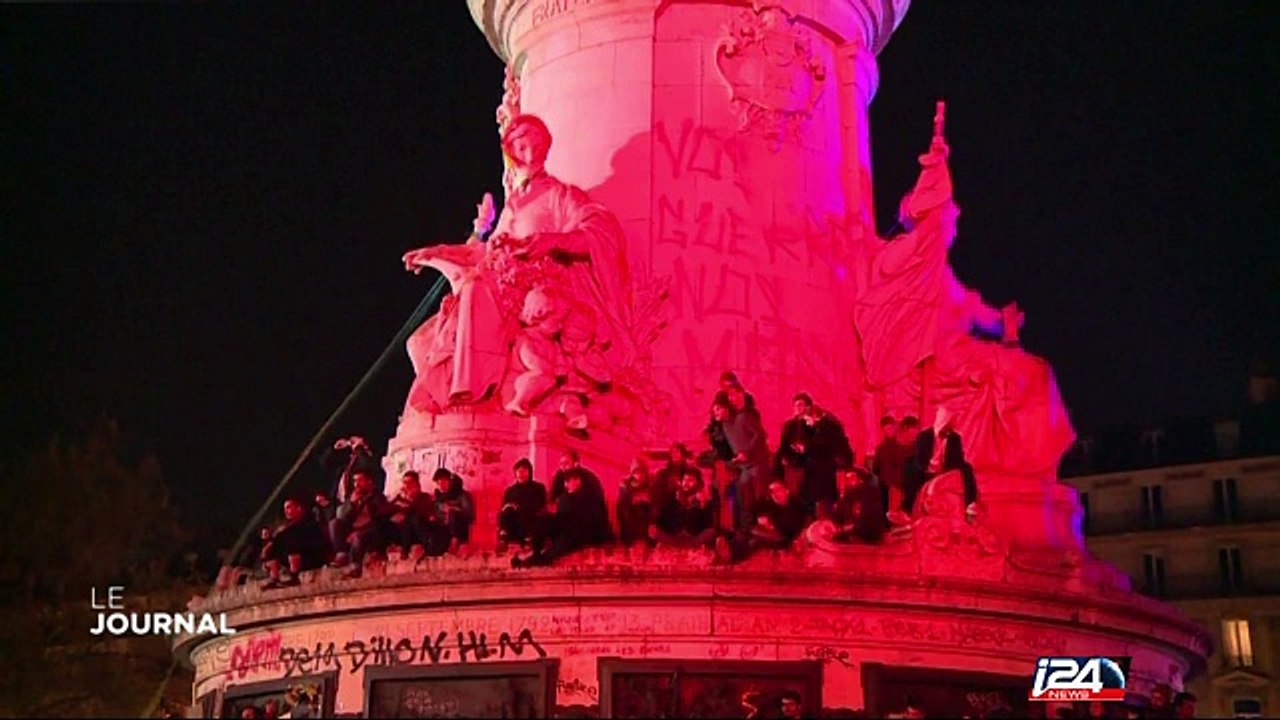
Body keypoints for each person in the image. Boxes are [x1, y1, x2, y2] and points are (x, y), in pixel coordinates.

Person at [775, 392, 854, 519]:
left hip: (822, 467)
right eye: (796, 406)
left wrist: (808, 444)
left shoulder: (826, 424)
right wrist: (788, 457)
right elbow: (785, 446)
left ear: (809, 407)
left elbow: (829, 443)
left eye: (802, 406)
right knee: (803, 499)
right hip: (799, 468)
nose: (799, 409)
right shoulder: (791, 426)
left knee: (823, 500)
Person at [514, 468, 611, 567]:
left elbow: (588, 521)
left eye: (569, 481)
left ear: (577, 481)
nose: (566, 485)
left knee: (562, 543)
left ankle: (540, 560)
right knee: (543, 520)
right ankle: (536, 553)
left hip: (581, 533)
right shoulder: (566, 497)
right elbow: (562, 515)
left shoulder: (590, 496)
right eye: (565, 482)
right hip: (567, 528)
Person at [714, 392, 771, 532]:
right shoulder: (724, 426)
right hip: (742, 466)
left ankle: (763, 527)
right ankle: (744, 528)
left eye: (718, 409)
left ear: (726, 408)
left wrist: (748, 452)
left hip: (758, 462)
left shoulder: (743, 417)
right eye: (714, 410)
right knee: (740, 494)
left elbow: (760, 435)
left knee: (759, 496)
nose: (715, 413)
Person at [717, 479, 806, 563]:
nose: (775, 494)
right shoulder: (769, 502)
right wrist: (759, 518)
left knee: (754, 541)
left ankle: (732, 556)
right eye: (772, 491)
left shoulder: (795, 506)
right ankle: (727, 547)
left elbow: (788, 528)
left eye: (778, 490)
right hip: (768, 532)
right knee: (745, 532)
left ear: (786, 491)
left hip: (784, 538)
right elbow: (752, 509)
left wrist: (770, 524)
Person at [914, 407, 979, 519]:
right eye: (949, 424)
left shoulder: (955, 438)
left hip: (946, 470)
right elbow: (919, 459)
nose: (951, 427)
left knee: (967, 467)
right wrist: (929, 467)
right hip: (927, 470)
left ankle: (970, 503)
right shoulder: (924, 437)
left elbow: (958, 458)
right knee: (910, 468)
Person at [330, 471, 394, 578]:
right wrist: (352, 503)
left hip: (371, 532)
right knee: (334, 523)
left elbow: (378, 520)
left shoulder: (378, 497)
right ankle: (342, 554)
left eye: (360, 480)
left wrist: (357, 532)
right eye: (355, 481)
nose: (357, 484)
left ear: (369, 482)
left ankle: (355, 566)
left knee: (359, 536)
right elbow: (342, 517)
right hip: (354, 529)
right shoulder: (353, 498)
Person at [261, 497, 330, 589]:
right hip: (296, 556)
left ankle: (294, 575)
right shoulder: (286, 528)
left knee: (288, 536)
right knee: (277, 541)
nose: (286, 511)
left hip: (312, 557)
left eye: (289, 507)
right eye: (285, 509)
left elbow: (315, 542)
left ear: (298, 508)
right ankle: (274, 577)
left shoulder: (310, 522)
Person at [549, 450, 613, 545]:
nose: (563, 467)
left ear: (576, 463)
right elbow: (553, 499)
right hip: (565, 519)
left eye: (566, 463)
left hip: (587, 521)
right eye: (561, 464)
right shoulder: (559, 477)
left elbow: (593, 504)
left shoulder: (589, 478)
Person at [389, 471, 450, 559]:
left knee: (412, 516)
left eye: (410, 482)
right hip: (404, 532)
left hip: (419, 531)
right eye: (405, 483)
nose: (407, 485)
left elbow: (425, 514)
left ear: (417, 484)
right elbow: (388, 510)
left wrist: (411, 503)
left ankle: (411, 549)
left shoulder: (424, 497)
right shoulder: (399, 498)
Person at [655, 469, 720, 548]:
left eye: (691, 480)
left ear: (698, 484)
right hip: (674, 536)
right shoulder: (673, 496)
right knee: (655, 531)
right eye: (685, 480)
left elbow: (707, 525)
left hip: (694, 537)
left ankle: (688, 545)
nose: (686, 483)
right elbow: (663, 520)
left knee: (710, 533)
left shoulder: (702, 500)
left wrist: (701, 506)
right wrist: (678, 503)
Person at [498, 458, 547, 552]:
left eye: (524, 470)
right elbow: (505, 506)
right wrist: (511, 507)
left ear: (530, 472)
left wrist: (521, 507)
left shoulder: (539, 488)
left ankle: (527, 540)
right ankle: (504, 537)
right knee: (506, 511)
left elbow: (541, 504)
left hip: (532, 518)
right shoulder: (510, 491)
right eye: (518, 471)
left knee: (524, 511)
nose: (521, 473)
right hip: (514, 520)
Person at [832, 466, 886, 544]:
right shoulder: (874, 492)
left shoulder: (856, 494)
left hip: (864, 536)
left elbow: (868, 525)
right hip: (872, 536)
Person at [872, 415, 909, 515]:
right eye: (887, 429)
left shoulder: (901, 447)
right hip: (886, 485)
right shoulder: (881, 448)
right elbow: (876, 468)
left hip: (896, 485)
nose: (889, 431)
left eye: (890, 428)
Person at [433, 469, 476, 553]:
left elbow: (470, 515)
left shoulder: (462, 495)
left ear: (450, 482)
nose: (441, 486)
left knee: (453, 514)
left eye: (443, 483)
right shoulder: (438, 498)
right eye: (438, 484)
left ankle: (455, 541)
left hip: (460, 528)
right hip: (445, 529)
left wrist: (454, 509)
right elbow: (436, 514)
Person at [616, 456, 656, 546]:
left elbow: (655, 506)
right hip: (630, 527)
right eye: (637, 472)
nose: (639, 476)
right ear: (632, 473)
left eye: (642, 472)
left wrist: (652, 522)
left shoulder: (651, 487)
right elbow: (622, 508)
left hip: (647, 526)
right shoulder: (625, 488)